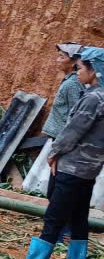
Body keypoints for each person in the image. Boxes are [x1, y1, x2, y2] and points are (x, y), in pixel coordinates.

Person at [8, 48, 104, 259]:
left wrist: (54, 153)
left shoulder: (93, 98)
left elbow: (72, 131)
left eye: (81, 68)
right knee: (79, 216)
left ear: (94, 71)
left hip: (72, 167)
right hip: (90, 168)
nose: (78, 72)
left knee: (54, 217)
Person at [42, 43, 85, 199]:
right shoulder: (70, 82)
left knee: (56, 187)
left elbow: (74, 116)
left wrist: (62, 147)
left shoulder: (72, 84)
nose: (57, 60)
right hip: (62, 139)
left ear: (73, 62)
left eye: (62, 57)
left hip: (64, 141)